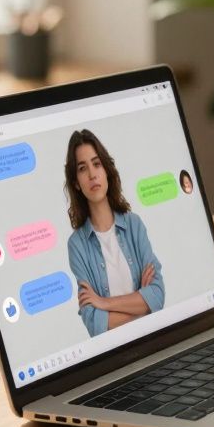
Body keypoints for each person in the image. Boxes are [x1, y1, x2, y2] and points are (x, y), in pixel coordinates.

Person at [64, 129, 166, 337]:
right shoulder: (77, 245)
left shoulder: (134, 225)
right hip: (114, 352)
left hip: (153, 341)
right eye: (83, 169)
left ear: (106, 170)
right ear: (76, 183)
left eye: (97, 164)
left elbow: (157, 295)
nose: (92, 174)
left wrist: (104, 303)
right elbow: (95, 323)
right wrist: (142, 304)